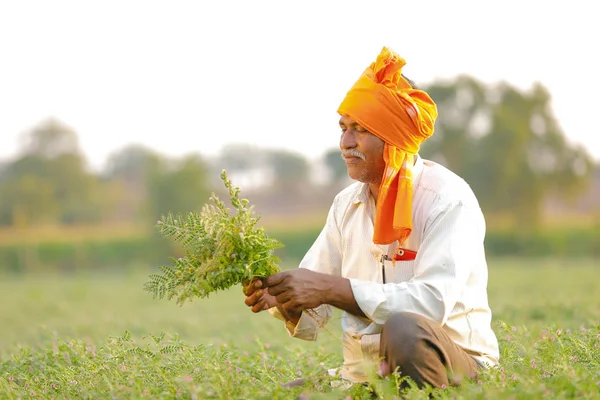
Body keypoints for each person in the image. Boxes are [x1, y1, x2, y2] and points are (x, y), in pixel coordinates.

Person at [244, 46, 499, 390]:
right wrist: (287, 302)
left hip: (455, 369)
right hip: (362, 376)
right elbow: (315, 297)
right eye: (343, 128)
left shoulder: (448, 199)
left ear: (393, 139)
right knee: (287, 396)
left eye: (360, 130)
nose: (345, 142)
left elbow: (431, 304)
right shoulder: (346, 204)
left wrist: (331, 288)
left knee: (405, 330)